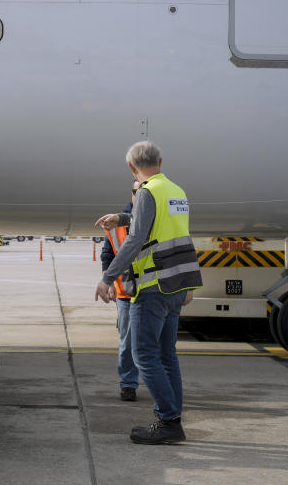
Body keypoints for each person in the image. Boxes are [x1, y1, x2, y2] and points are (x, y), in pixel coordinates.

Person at [94, 141, 202, 444]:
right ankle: (172, 417)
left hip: (153, 286)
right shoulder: (175, 191)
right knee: (168, 356)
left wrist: (108, 277)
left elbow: (136, 239)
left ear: (132, 167)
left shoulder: (146, 192)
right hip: (177, 284)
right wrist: (123, 217)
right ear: (161, 161)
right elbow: (162, 226)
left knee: (144, 355)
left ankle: (168, 421)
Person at [100, 180, 141, 402]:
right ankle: (128, 383)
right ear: (132, 194)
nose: (140, 194)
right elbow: (108, 254)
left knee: (156, 342)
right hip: (126, 290)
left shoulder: (155, 217)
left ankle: (158, 383)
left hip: (152, 289)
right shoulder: (118, 222)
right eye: (137, 190)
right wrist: (107, 282)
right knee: (127, 341)